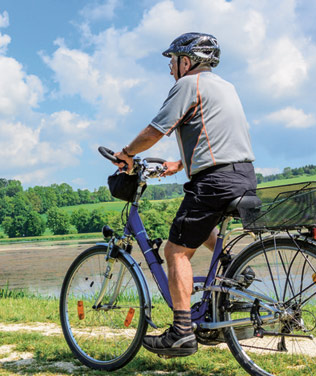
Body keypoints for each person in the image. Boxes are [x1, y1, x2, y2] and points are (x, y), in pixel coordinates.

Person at [112, 32, 256, 358]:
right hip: (243, 175)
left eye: (172, 61)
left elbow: (155, 130)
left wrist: (127, 154)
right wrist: (180, 163)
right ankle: (232, 266)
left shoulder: (187, 85)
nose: (170, 68)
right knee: (199, 227)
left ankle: (181, 332)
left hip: (214, 181)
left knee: (176, 250)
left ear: (186, 62)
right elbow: (216, 135)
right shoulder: (225, 87)